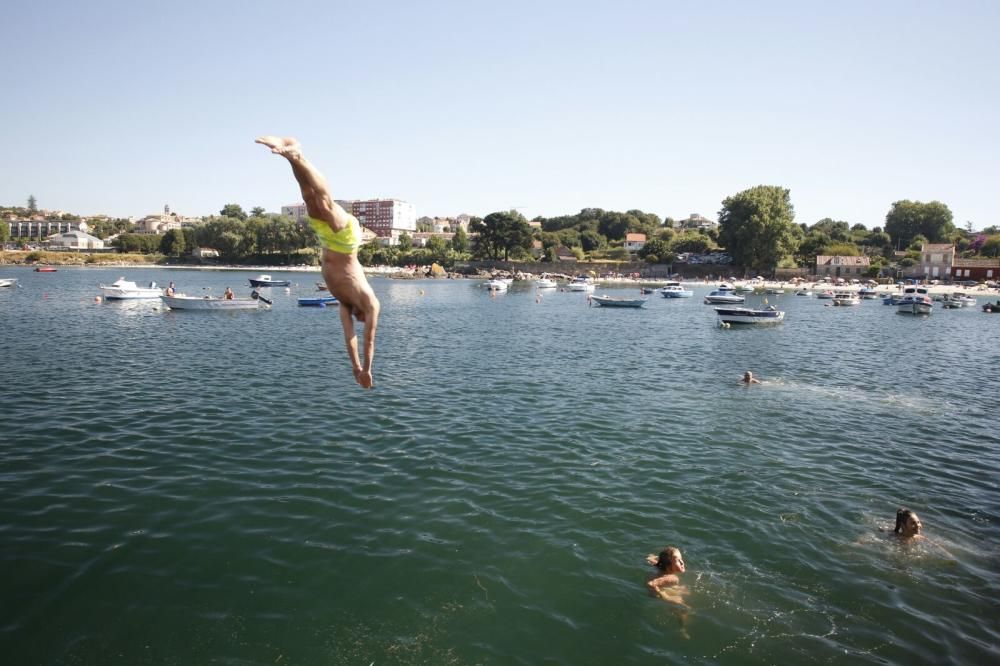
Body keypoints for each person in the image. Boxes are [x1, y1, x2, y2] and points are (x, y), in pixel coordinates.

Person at [256, 136, 381, 389]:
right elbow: (368, 340)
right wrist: (369, 369)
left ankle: (290, 156)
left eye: (359, 321)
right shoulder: (370, 303)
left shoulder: (345, 304)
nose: (358, 321)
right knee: (325, 202)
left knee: (309, 200)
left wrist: (356, 369)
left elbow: (351, 339)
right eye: (361, 321)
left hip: (327, 241)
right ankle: (299, 154)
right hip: (346, 241)